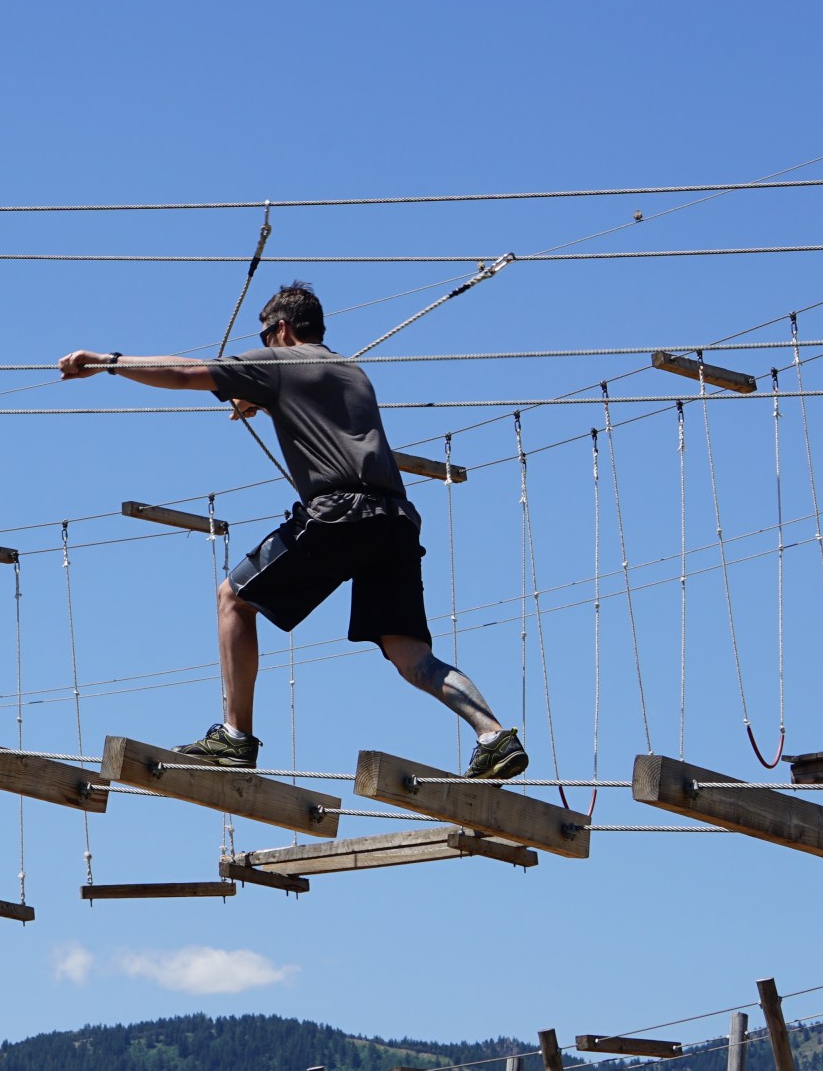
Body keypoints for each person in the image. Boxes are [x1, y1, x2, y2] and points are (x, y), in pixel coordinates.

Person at [57, 280, 528, 779]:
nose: (261, 345)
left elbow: (182, 372)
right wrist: (261, 399)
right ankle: (493, 735)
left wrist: (107, 361)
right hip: (394, 520)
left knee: (233, 598)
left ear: (281, 329)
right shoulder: (351, 371)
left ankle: (235, 737)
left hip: (340, 514)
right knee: (409, 652)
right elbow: (316, 408)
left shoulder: (279, 361)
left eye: (263, 337)